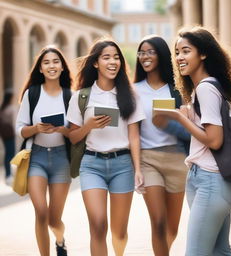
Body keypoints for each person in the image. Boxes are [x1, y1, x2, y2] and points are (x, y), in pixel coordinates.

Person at [153, 26, 231, 255]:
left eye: (186, 51)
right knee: (220, 251)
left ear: (203, 53)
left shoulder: (206, 88)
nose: (179, 58)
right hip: (211, 180)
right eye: (177, 52)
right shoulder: (206, 87)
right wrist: (189, 116)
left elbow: (214, 141)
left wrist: (178, 117)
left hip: (212, 180)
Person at [67, 38, 145, 256]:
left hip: (122, 165)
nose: (113, 62)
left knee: (119, 233)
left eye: (116, 57)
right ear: (95, 63)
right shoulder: (81, 97)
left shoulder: (130, 95)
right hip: (92, 165)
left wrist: (138, 169)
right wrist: (88, 126)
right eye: (107, 57)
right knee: (98, 226)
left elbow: (134, 136)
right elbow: (73, 137)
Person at [134, 35, 190, 256]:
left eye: (150, 52)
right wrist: (136, 167)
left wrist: (172, 120)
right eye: (141, 53)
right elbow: (133, 133)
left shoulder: (178, 89)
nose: (145, 57)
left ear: (161, 54)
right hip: (149, 160)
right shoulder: (133, 90)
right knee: (157, 222)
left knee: (172, 228)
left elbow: (190, 129)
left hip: (177, 159)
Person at [16, 45, 73, 256]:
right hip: (36, 157)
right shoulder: (32, 94)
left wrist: (64, 130)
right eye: (46, 62)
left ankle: (60, 240)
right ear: (40, 68)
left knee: (54, 218)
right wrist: (35, 129)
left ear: (62, 67)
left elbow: (76, 133)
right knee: (41, 212)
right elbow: (19, 129)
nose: (51, 66)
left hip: (61, 160)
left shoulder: (70, 96)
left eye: (55, 62)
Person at [0, 90, 16, 185]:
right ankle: (9, 175)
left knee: (7, 154)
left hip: (4, 134)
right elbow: (14, 122)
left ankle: (8, 174)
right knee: (11, 154)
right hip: (10, 134)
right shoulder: (11, 108)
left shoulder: (2, 108)